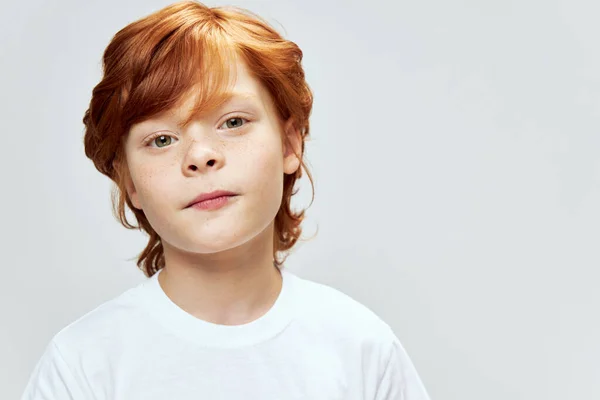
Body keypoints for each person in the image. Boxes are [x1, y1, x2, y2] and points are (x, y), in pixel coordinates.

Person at [21, 1, 432, 399]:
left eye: (233, 122)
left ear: (290, 143)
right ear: (128, 181)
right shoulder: (83, 365)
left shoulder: (360, 348)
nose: (201, 156)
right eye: (162, 139)